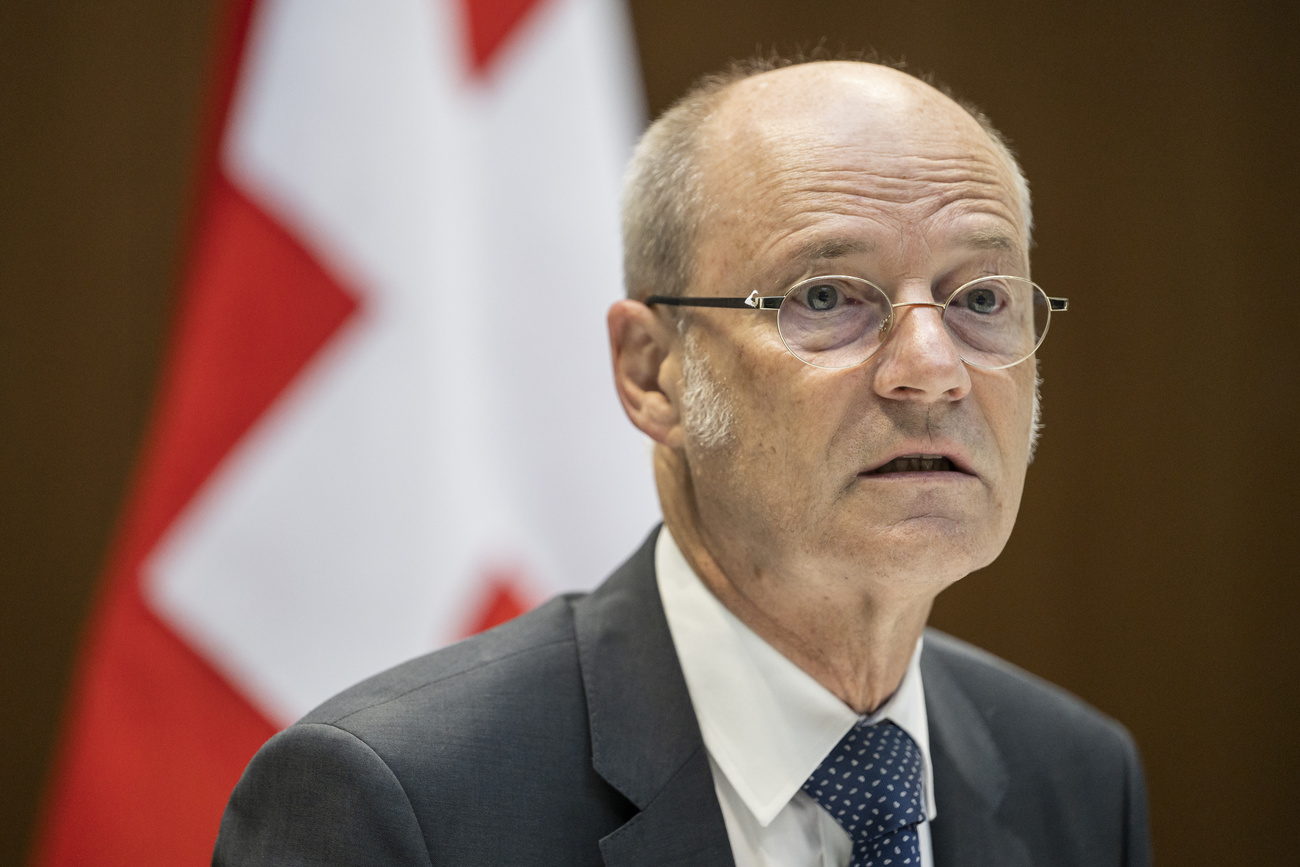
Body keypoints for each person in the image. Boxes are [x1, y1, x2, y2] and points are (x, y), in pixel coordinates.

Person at [213, 58, 1150, 867]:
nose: (933, 368)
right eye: (827, 296)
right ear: (651, 370)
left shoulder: (1076, 777)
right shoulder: (395, 801)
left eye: (981, 299)